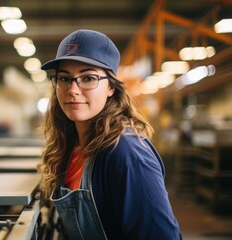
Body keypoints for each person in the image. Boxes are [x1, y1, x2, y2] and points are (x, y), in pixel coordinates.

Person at [37, 29, 182, 240]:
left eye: (88, 78)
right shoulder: (70, 144)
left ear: (111, 87)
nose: (72, 90)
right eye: (64, 78)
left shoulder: (127, 154)